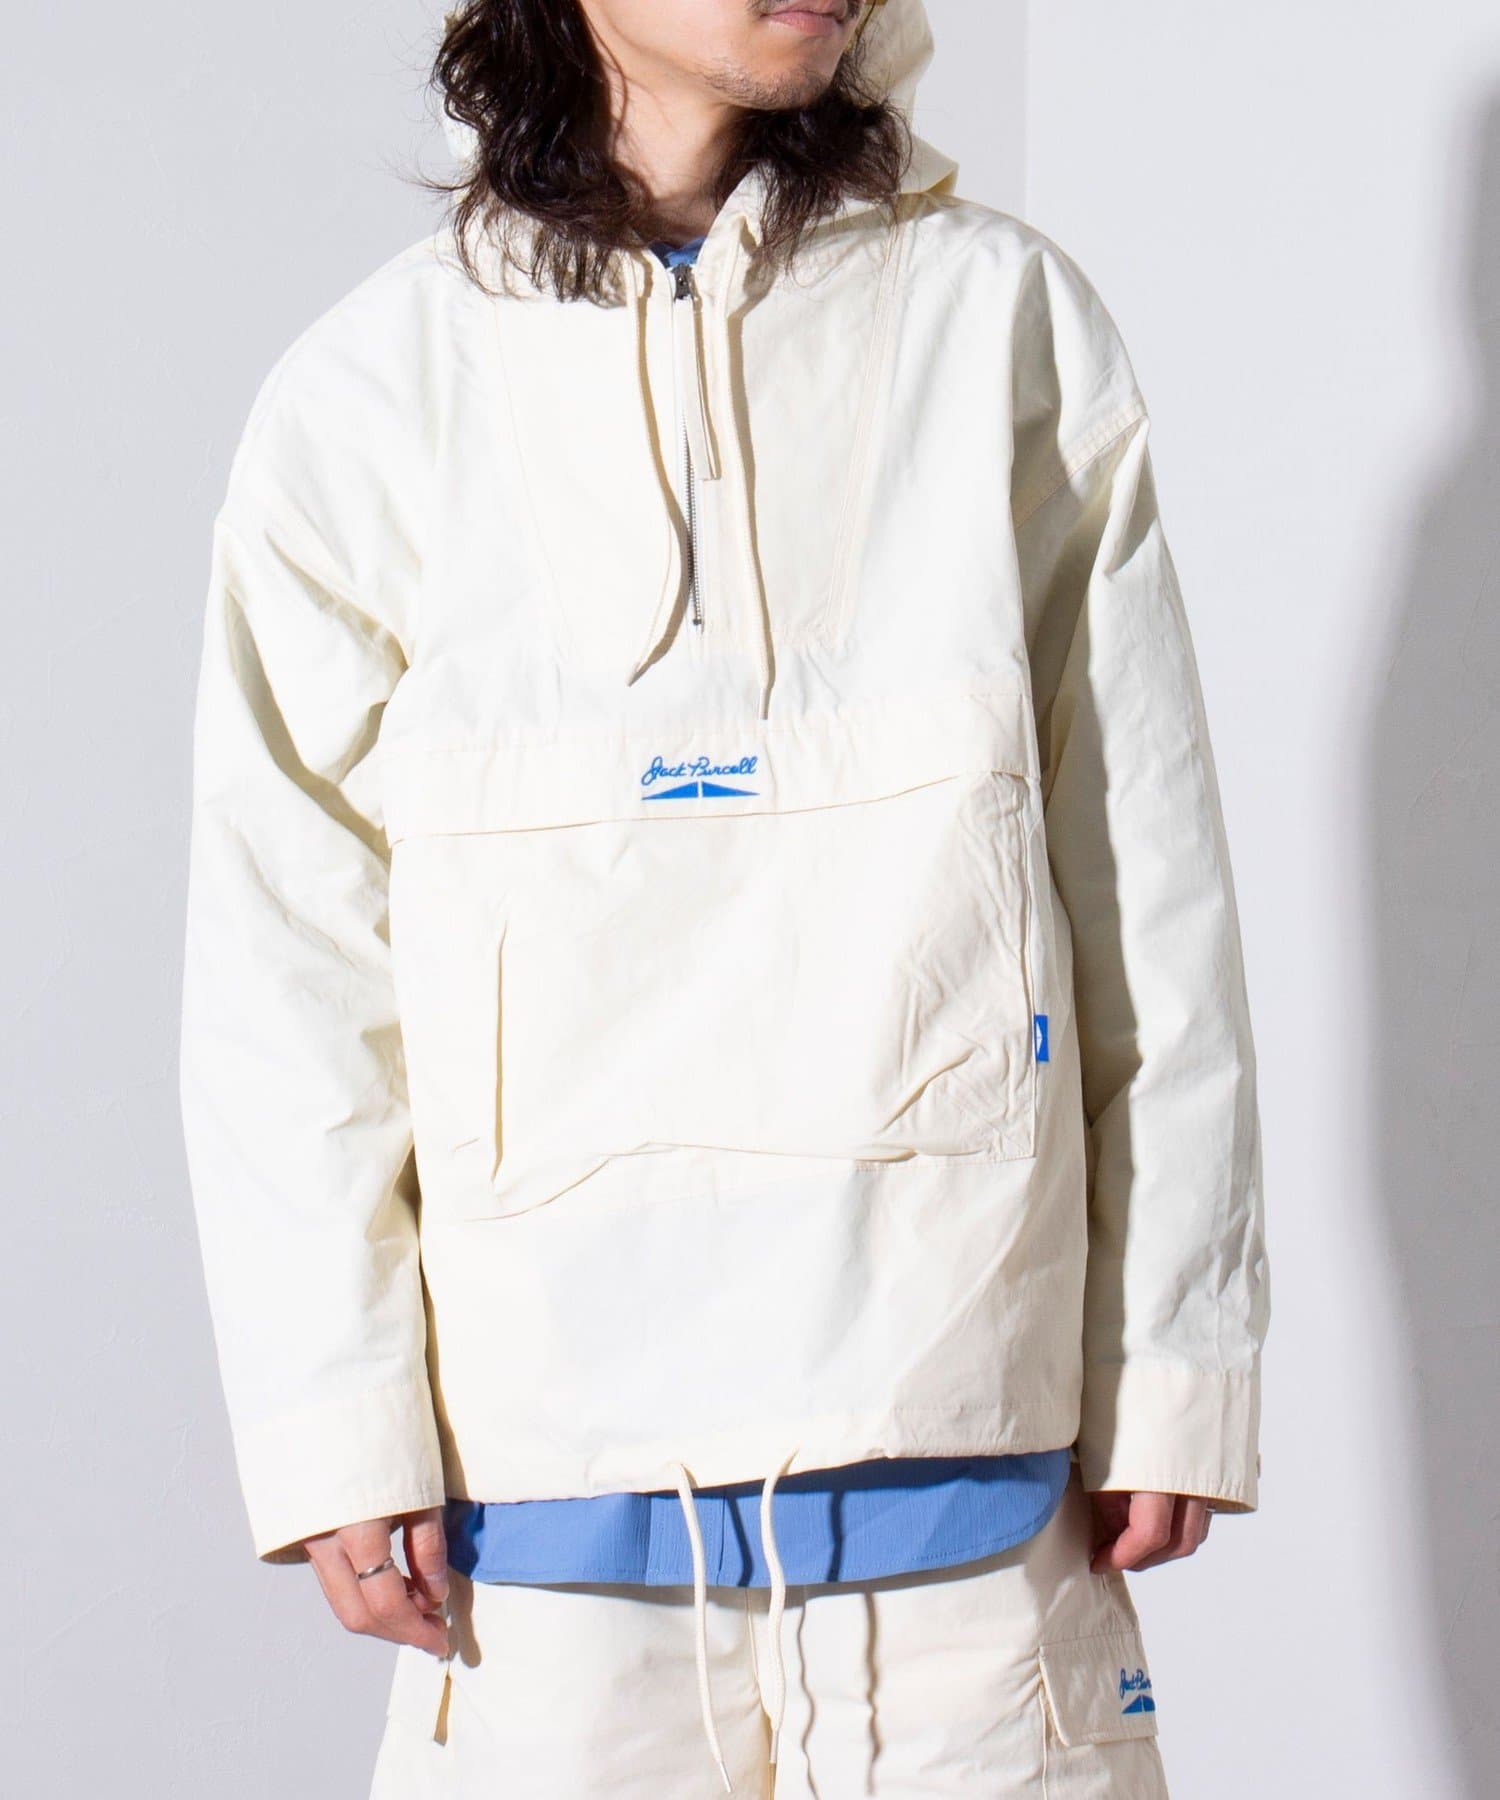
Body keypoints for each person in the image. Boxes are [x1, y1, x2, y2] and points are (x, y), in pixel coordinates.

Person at [177, 0, 1270, 1792]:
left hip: (972, 1499)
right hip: (544, 1531)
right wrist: (333, 1422)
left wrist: (1176, 1355)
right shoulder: (368, 396)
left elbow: (1143, 862)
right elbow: (289, 963)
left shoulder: (999, 319)